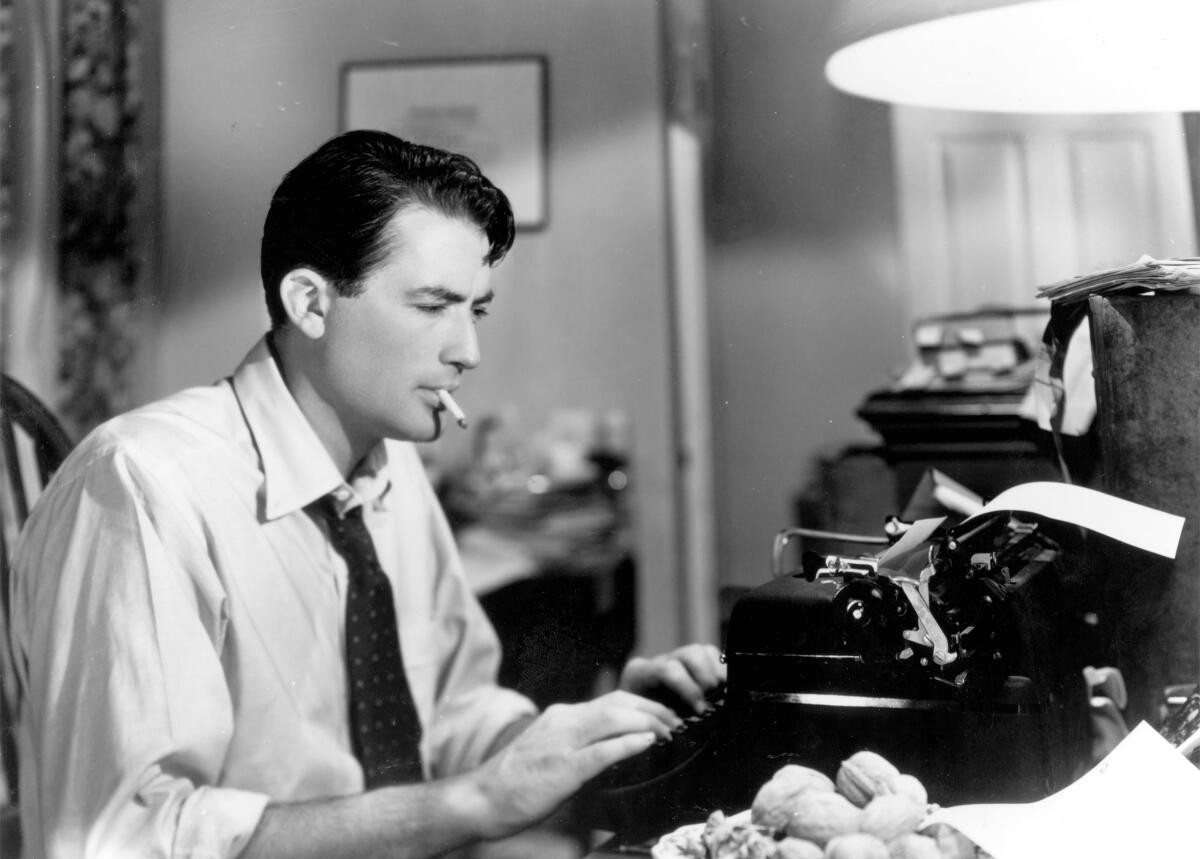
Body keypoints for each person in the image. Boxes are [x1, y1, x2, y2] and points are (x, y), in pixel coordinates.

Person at [8, 130, 725, 858]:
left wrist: (596, 737)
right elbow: (122, 838)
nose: (467, 351)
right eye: (432, 305)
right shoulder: (143, 483)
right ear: (311, 304)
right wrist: (474, 803)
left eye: (474, 310)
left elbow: (449, 712)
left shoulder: (390, 466)